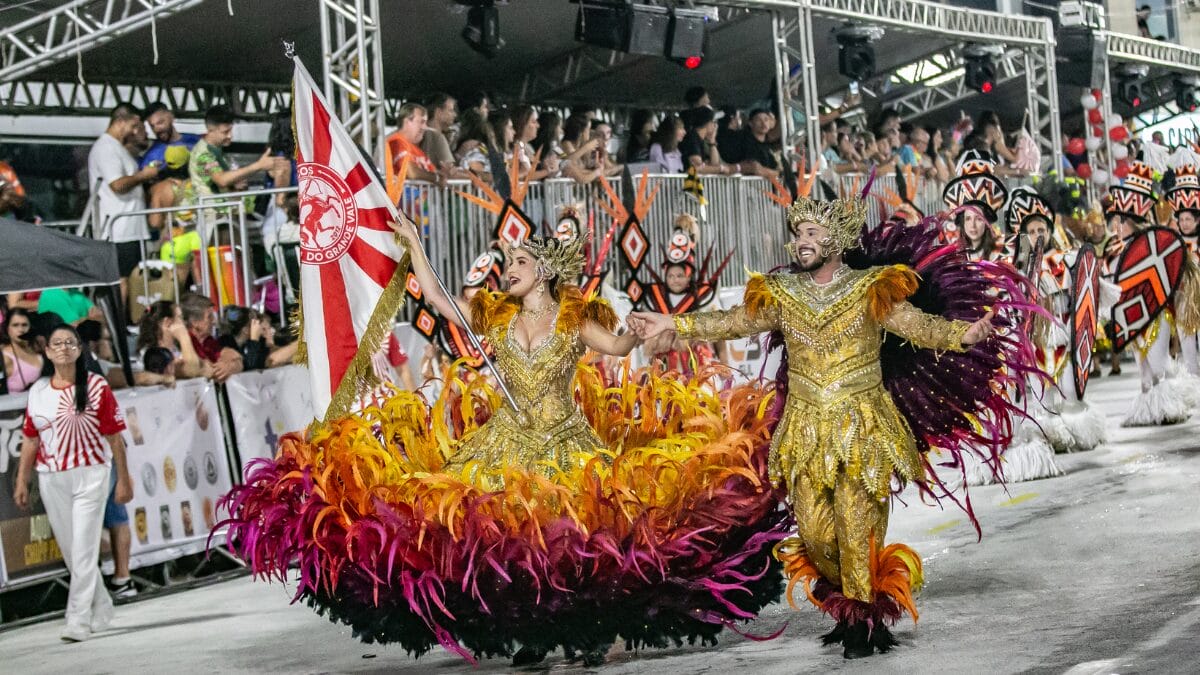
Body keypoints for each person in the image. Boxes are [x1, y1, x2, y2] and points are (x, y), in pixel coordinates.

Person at [223, 206, 789, 666]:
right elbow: (441, 300)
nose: (508, 268)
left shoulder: (573, 318)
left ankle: (578, 632)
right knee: (501, 545)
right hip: (506, 442)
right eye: (509, 261)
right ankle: (526, 634)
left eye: (518, 261)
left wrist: (650, 332)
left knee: (569, 549)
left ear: (542, 271)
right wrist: (416, 245)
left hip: (565, 445)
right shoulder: (495, 317)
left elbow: (617, 348)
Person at [630, 186, 1035, 659]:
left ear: (837, 239)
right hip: (804, 428)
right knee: (820, 539)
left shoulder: (871, 288)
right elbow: (731, 322)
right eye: (798, 231)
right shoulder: (782, 293)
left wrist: (962, 334)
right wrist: (673, 326)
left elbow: (917, 327)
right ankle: (848, 600)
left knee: (855, 522)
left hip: (861, 425)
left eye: (812, 231)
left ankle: (863, 621)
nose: (801, 239)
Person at [14, 324, 133, 642]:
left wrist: (123, 478)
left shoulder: (95, 386)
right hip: (52, 478)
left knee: (83, 547)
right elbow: (30, 439)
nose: (64, 348)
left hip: (91, 474)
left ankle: (77, 620)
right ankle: (102, 603)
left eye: (70, 342)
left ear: (80, 349)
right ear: (48, 351)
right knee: (71, 550)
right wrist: (22, 480)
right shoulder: (38, 392)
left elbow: (114, 438)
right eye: (57, 343)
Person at [89, 103, 159, 295]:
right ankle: (115, 324)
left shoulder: (117, 148)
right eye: (134, 126)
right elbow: (117, 185)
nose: (135, 131)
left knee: (134, 281)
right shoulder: (106, 148)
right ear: (120, 122)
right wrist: (144, 176)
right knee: (122, 280)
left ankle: (127, 321)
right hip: (118, 230)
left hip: (132, 228)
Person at [941, 150, 1009, 261]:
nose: (972, 225)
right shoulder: (951, 244)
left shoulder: (1002, 247)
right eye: (968, 218)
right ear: (962, 220)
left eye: (979, 219)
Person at [179, 293, 243, 383]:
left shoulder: (207, 341)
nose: (214, 321)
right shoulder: (184, 342)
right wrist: (218, 369)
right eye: (209, 317)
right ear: (195, 322)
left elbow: (235, 356)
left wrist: (230, 366)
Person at [680, 107, 734, 175]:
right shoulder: (692, 138)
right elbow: (698, 167)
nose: (715, 125)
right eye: (713, 122)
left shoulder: (701, 140)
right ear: (707, 123)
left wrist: (712, 141)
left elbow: (714, 163)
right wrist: (721, 168)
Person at [2, 308, 45, 393]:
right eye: (15, 325)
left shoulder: (38, 350)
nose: (21, 330)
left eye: (24, 325)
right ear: (8, 329)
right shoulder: (5, 357)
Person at [37, 288, 103, 326]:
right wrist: (86, 318)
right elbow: (73, 325)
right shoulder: (48, 294)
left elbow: (99, 315)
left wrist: (84, 319)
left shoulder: (78, 293)